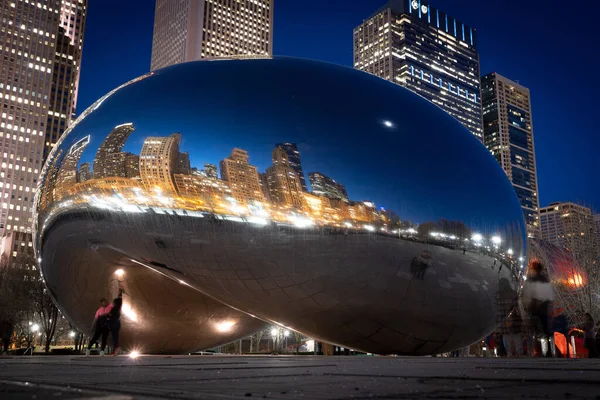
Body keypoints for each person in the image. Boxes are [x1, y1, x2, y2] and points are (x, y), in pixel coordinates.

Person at [522, 259, 555, 357]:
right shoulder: (545, 280)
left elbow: (527, 294)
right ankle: (546, 350)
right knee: (544, 329)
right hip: (543, 307)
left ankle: (537, 351)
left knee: (535, 329)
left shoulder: (532, 280)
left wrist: (528, 304)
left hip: (535, 307)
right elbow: (549, 295)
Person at [109, 289, 123, 356]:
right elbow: (120, 300)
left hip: (114, 324)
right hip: (115, 324)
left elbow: (120, 300)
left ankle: (116, 349)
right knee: (114, 337)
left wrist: (120, 293)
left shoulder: (115, 309)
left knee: (115, 337)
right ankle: (115, 349)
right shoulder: (117, 309)